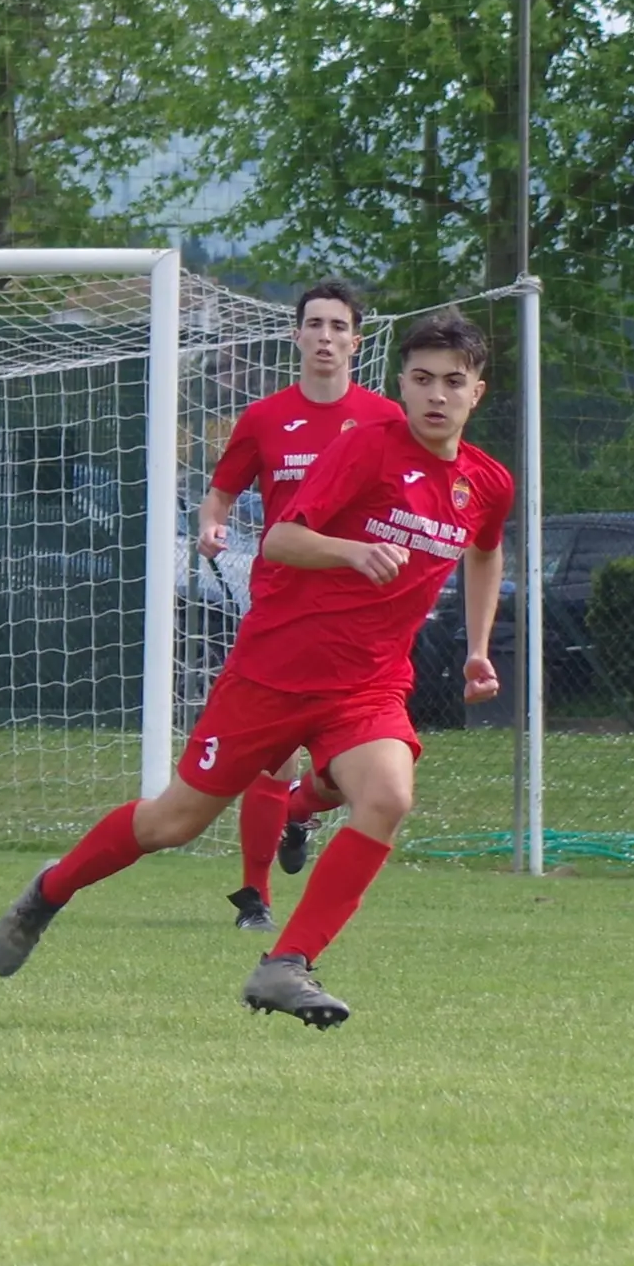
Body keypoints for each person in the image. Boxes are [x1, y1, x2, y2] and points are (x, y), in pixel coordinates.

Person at [0, 307, 512, 1027]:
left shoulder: (487, 482)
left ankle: (285, 964)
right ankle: (50, 891)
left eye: (453, 382)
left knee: (390, 798)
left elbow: (485, 550)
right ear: (400, 382)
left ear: (476, 392)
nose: (436, 395)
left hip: (366, 685)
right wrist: (352, 552)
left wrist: (479, 647)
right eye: (421, 379)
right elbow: (281, 540)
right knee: (171, 824)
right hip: (272, 673)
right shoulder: (367, 448)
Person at [192, 280, 399, 931]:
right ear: (296, 336)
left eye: (339, 327)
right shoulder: (263, 419)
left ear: (356, 342)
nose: (326, 337)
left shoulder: (385, 420)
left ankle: (302, 812)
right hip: (281, 606)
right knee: (273, 753)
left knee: (347, 770)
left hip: (358, 614)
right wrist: (211, 527)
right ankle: (255, 897)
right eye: (315, 324)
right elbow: (220, 494)